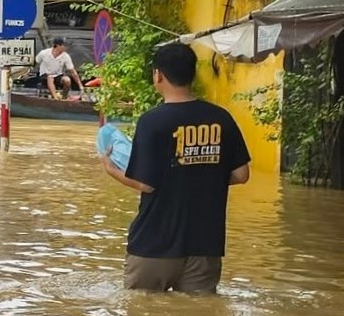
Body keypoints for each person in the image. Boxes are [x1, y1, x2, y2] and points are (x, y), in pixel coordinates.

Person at [102, 41, 251, 294]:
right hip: (205, 246)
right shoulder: (221, 118)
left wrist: (111, 169)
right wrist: (201, 173)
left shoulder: (152, 122)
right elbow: (241, 174)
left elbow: (146, 183)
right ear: (192, 73)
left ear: (158, 75)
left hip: (155, 245)